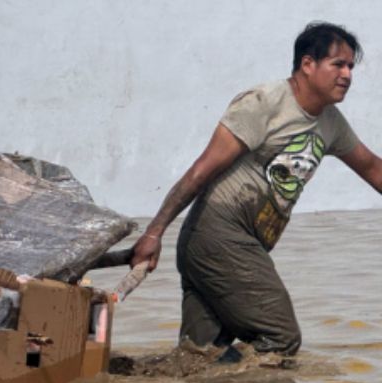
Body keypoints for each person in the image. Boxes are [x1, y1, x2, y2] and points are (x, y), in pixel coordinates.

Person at [131, 22, 382, 359]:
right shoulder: (265, 102)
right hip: (219, 234)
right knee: (280, 337)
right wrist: (154, 232)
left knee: (196, 359)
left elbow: (371, 167)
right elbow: (200, 171)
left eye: (351, 66)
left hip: (233, 244)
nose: (348, 75)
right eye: (338, 64)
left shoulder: (330, 122)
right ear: (308, 64)